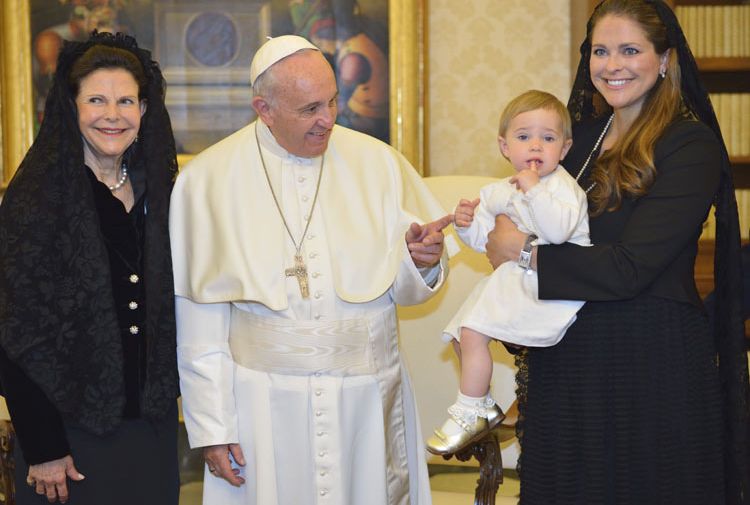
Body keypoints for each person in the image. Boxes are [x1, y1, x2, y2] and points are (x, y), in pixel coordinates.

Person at [484, 1, 750, 504]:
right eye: (601, 51)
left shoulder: (690, 146)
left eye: (630, 50)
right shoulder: (573, 141)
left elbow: (631, 268)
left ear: (665, 58)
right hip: (568, 367)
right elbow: (520, 217)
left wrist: (523, 252)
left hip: (652, 368)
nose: (612, 65)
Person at [170, 35, 452, 505]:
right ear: (264, 108)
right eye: (308, 109)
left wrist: (420, 263)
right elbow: (198, 325)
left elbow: (406, 287)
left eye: (333, 101)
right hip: (262, 408)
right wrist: (212, 428)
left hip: (366, 401)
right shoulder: (207, 180)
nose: (328, 120)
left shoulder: (377, 163)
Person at [0, 31, 179, 504]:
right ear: (71, 107)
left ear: (144, 110)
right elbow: (13, 332)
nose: (113, 115)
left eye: (126, 101)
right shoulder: (36, 198)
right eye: (96, 99)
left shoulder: (161, 192)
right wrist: (43, 447)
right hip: (66, 443)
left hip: (151, 435)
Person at [426, 90, 590, 455]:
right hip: (516, 278)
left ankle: (469, 409)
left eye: (548, 138)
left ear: (563, 149)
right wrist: (466, 222)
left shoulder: (564, 188)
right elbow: (486, 242)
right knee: (460, 335)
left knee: (472, 330)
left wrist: (533, 192)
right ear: (504, 146)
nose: (536, 146)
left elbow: (559, 231)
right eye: (523, 137)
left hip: (553, 286)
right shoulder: (499, 190)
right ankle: (480, 402)